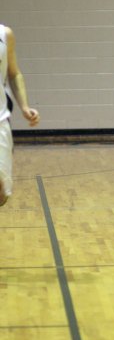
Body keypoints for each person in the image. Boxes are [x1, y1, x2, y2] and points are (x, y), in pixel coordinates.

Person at [0, 24, 40, 205]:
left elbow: (14, 74)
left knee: (2, 193)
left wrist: (24, 106)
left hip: (0, 121)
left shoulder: (5, 34)